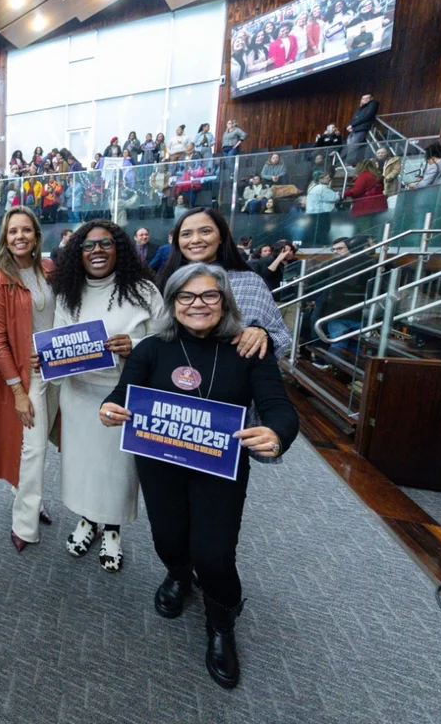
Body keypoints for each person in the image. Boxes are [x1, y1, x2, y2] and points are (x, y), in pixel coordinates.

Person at [101, 262, 298, 689]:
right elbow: (122, 394)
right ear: (173, 303)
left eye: (209, 295)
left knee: (214, 556)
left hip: (219, 469)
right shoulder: (152, 348)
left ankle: (221, 622)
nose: (198, 305)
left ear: (224, 300)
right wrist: (110, 408)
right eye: (186, 297)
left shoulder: (248, 349)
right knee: (168, 540)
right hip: (160, 463)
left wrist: (277, 433)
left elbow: (280, 408)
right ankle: (177, 575)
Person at [52, 222, 163, 570]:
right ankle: (87, 520)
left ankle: (112, 529)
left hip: (122, 398)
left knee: (117, 472)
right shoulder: (68, 291)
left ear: (120, 248)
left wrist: (136, 346)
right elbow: (58, 340)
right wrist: (49, 358)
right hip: (79, 394)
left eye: (105, 243)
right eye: (88, 246)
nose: (97, 251)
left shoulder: (143, 290)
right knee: (83, 466)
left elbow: (167, 341)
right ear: (77, 253)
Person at [0, 207, 57, 552]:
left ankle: (30, 496)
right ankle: (24, 523)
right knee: (35, 448)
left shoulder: (49, 270)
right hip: (30, 376)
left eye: (26, 230)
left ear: (36, 235)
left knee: (42, 444)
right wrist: (18, 391)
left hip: (61, 369)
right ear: (5, 238)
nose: (20, 237)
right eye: (13, 232)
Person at [159, 208, 290, 359]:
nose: (195, 240)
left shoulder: (249, 282)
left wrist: (262, 334)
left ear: (221, 236)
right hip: (175, 371)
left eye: (205, 231)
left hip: (234, 373)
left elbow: (282, 336)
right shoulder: (167, 281)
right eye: (186, 234)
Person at [345, 93, 379, 164]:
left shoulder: (373, 104)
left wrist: (352, 125)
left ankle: (350, 163)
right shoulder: (361, 108)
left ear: (371, 99)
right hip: (354, 130)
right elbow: (354, 118)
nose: (365, 100)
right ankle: (351, 162)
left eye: (367, 98)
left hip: (361, 129)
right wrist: (349, 125)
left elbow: (367, 116)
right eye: (363, 98)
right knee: (350, 147)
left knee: (354, 146)